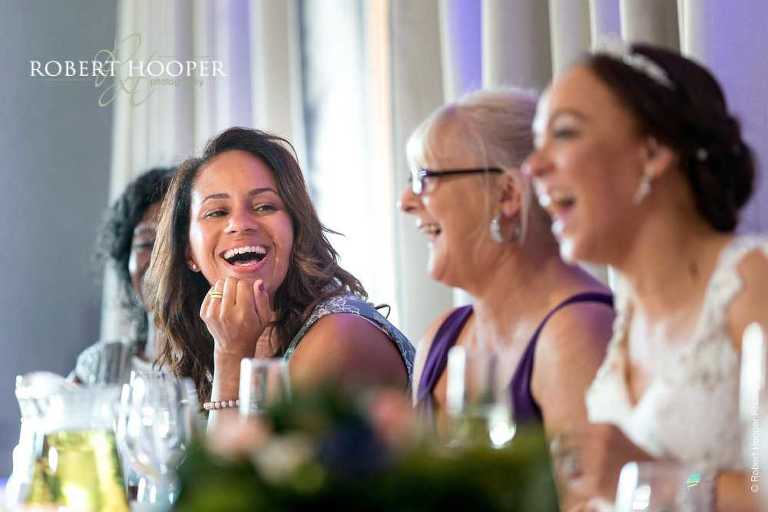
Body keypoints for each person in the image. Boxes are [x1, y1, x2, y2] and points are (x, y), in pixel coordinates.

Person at [524, 42, 763, 511]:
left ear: (653, 152)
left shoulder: (752, 283)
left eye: (565, 133)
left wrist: (668, 481)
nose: (534, 166)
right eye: (536, 144)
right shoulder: (628, 319)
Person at [398, 89, 614, 505]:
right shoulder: (442, 337)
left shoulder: (576, 332)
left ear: (509, 195)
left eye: (425, 178)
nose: (406, 202)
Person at [146, 127, 414, 423]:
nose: (240, 224)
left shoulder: (339, 338)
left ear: (296, 230)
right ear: (189, 253)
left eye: (264, 206)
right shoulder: (213, 342)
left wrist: (232, 357)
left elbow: (238, 468)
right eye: (217, 212)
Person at [72, 167, 175, 383]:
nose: (159, 259)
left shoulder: (223, 368)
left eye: (173, 243)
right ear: (125, 260)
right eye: (147, 243)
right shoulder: (98, 367)